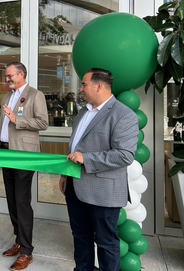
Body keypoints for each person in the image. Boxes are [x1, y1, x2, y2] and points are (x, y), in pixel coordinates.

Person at [59, 68, 139, 271]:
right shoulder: (83, 112)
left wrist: (86, 158)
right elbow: (73, 147)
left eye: (84, 84)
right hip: (74, 186)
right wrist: (64, 174)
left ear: (99, 86)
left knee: (106, 243)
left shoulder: (123, 115)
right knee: (80, 237)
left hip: (103, 192)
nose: (81, 89)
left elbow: (124, 155)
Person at [0, 62, 48, 271]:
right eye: (6, 76)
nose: (6, 79)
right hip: (6, 153)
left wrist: (17, 119)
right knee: (12, 201)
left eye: (9, 76)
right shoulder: (7, 97)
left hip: (24, 156)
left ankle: (27, 251)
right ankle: (19, 240)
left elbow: (43, 123)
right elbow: (0, 123)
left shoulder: (36, 95)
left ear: (21, 74)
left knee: (22, 202)